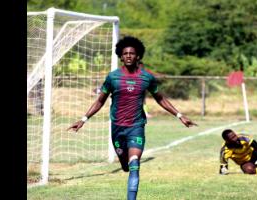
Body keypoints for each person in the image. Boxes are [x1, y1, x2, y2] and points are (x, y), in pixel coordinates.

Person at [67, 36, 197, 200]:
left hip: (136, 126)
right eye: (125, 53)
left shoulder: (146, 78)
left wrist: (180, 115)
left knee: (134, 163)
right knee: (125, 163)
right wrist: (83, 119)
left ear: (138, 56)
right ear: (121, 56)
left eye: (132, 53)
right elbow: (100, 101)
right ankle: (123, 161)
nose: (128, 56)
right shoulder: (112, 77)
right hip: (117, 128)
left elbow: (160, 98)